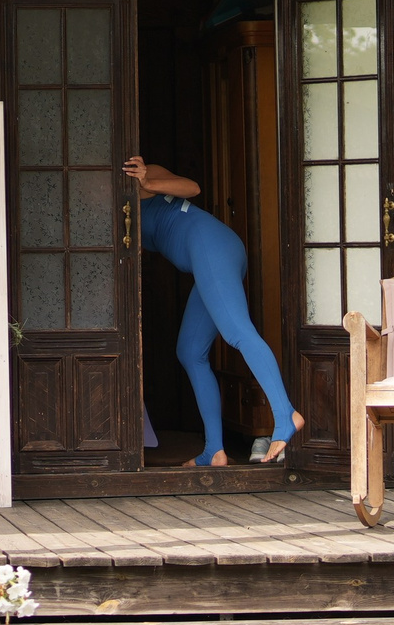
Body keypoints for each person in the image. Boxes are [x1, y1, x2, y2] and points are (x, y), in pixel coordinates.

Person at [122, 157, 302, 466]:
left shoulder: (142, 174)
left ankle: (286, 416)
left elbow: (192, 188)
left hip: (211, 244)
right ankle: (214, 451)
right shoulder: (113, 201)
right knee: (190, 352)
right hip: (206, 257)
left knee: (238, 333)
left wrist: (146, 182)